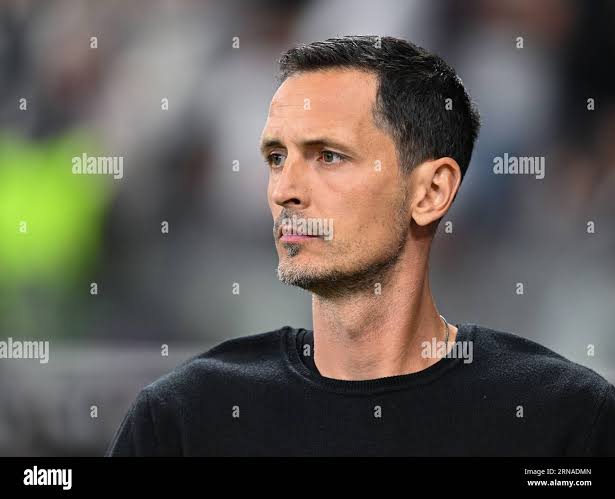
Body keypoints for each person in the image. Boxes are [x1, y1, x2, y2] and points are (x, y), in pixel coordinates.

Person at [106, 36, 614, 456]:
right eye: (277, 157)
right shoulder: (185, 420)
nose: (285, 190)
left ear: (431, 192)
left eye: (328, 156)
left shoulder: (565, 421)